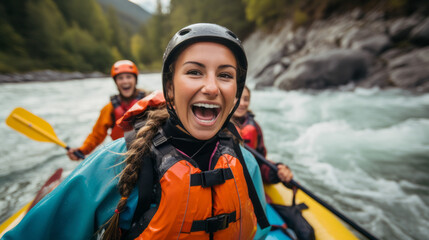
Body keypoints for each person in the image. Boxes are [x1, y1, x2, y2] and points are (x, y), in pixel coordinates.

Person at [2, 23, 271, 240]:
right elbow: (98, 134)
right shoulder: (113, 160)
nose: (212, 87)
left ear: (237, 91)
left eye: (225, 75)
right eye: (194, 72)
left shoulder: (244, 161)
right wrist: (84, 151)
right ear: (169, 88)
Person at [67, 60, 148, 160]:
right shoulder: (109, 109)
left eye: (129, 77)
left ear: (135, 80)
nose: (125, 81)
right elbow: (96, 135)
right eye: (120, 78)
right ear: (116, 82)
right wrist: (81, 151)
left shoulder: (149, 100)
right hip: (123, 155)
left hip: (147, 150)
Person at [233, 85, 293, 185]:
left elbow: (260, 163)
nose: (242, 103)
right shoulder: (216, 126)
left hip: (248, 183)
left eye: (246, 99)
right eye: (237, 98)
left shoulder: (254, 127)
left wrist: (276, 171)